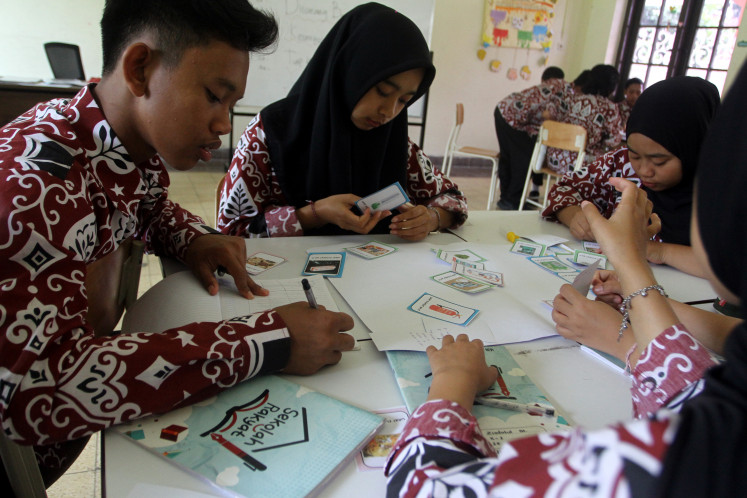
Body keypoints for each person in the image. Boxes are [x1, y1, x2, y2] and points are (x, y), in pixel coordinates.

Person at [0, 0, 356, 488]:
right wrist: (267, 341)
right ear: (141, 69)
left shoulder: (112, 141)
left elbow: (147, 205)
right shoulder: (34, 183)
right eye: (214, 96)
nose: (224, 124)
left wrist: (193, 239)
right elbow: (39, 390)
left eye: (231, 105)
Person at [386, 61, 747, 495]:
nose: (643, 170)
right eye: (635, 156)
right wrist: (633, 280)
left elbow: (423, 484)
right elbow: (692, 389)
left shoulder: (694, 456)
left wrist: (453, 382)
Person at [217, 3, 466, 242]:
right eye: (381, 90)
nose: (388, 112)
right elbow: (230, 233)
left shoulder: (392, 139)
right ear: (349, 72)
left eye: (403, 100)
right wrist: (314, 214)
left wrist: (432, 218)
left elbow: (453, 198)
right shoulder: (269, 133)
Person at [542, 76, 719, 277]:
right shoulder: (620, 164)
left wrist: (658, 251)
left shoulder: (725, 190)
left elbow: (731, 267)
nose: (644, 171)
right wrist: (574, 216)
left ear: (695, 147)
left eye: (659, 161)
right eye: (635, 155)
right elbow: (563, 188)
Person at [493, 65, 570, 210]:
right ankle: (512, 201)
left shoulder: (547, 86)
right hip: (515, 119)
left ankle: (507, 199)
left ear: (543, 79)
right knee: (523, 159)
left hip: (502, 109)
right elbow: (549, 114)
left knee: (508, 157)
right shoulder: (563, 87)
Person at [543, 64, 624, 174]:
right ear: (612, 86)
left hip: (554, 159)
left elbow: (553, 116)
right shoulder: (609, 107)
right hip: (580, 164)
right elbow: (613, 141)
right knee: (615, 164)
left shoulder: (570, 98)